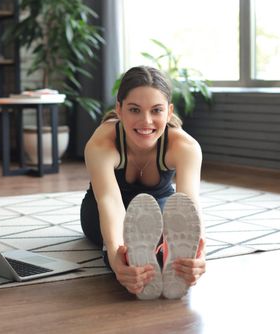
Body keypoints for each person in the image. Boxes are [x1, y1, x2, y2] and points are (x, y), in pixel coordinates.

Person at [80, 66, 206, 299]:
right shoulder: (101, 144)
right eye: (134, 110)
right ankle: (132, 260)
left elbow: (190, 203)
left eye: (156, 110)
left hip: (158, 204)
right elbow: (110, 202)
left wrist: (199, 255)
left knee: (169, 221)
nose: (145, 121)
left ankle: (172, 259)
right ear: (119, 109)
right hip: (102, 208)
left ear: (169, 112)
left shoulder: (185, 146)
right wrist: (115, 257)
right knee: (123, 239)